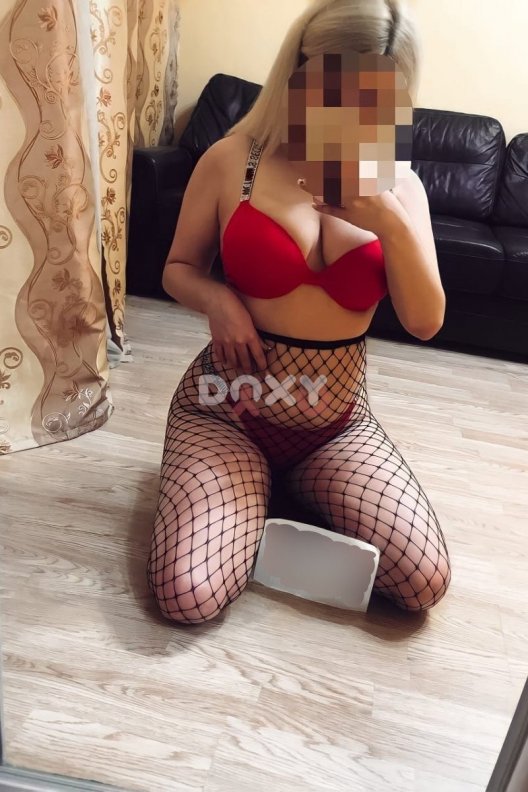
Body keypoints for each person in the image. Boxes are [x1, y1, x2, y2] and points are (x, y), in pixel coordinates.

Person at [148, 0, 452, 624]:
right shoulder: (233, 159)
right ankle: (242, 493)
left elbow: (425, 322)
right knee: (187, 597)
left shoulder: (401, 185)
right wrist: (220, 300)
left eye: (374, 100)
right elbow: (177, 268)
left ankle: (267, 498)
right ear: (298, 73)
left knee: (424, 584)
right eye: (333, 92)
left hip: (334, 426)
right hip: (227, 410)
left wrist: (392, 225)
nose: (349, 115)